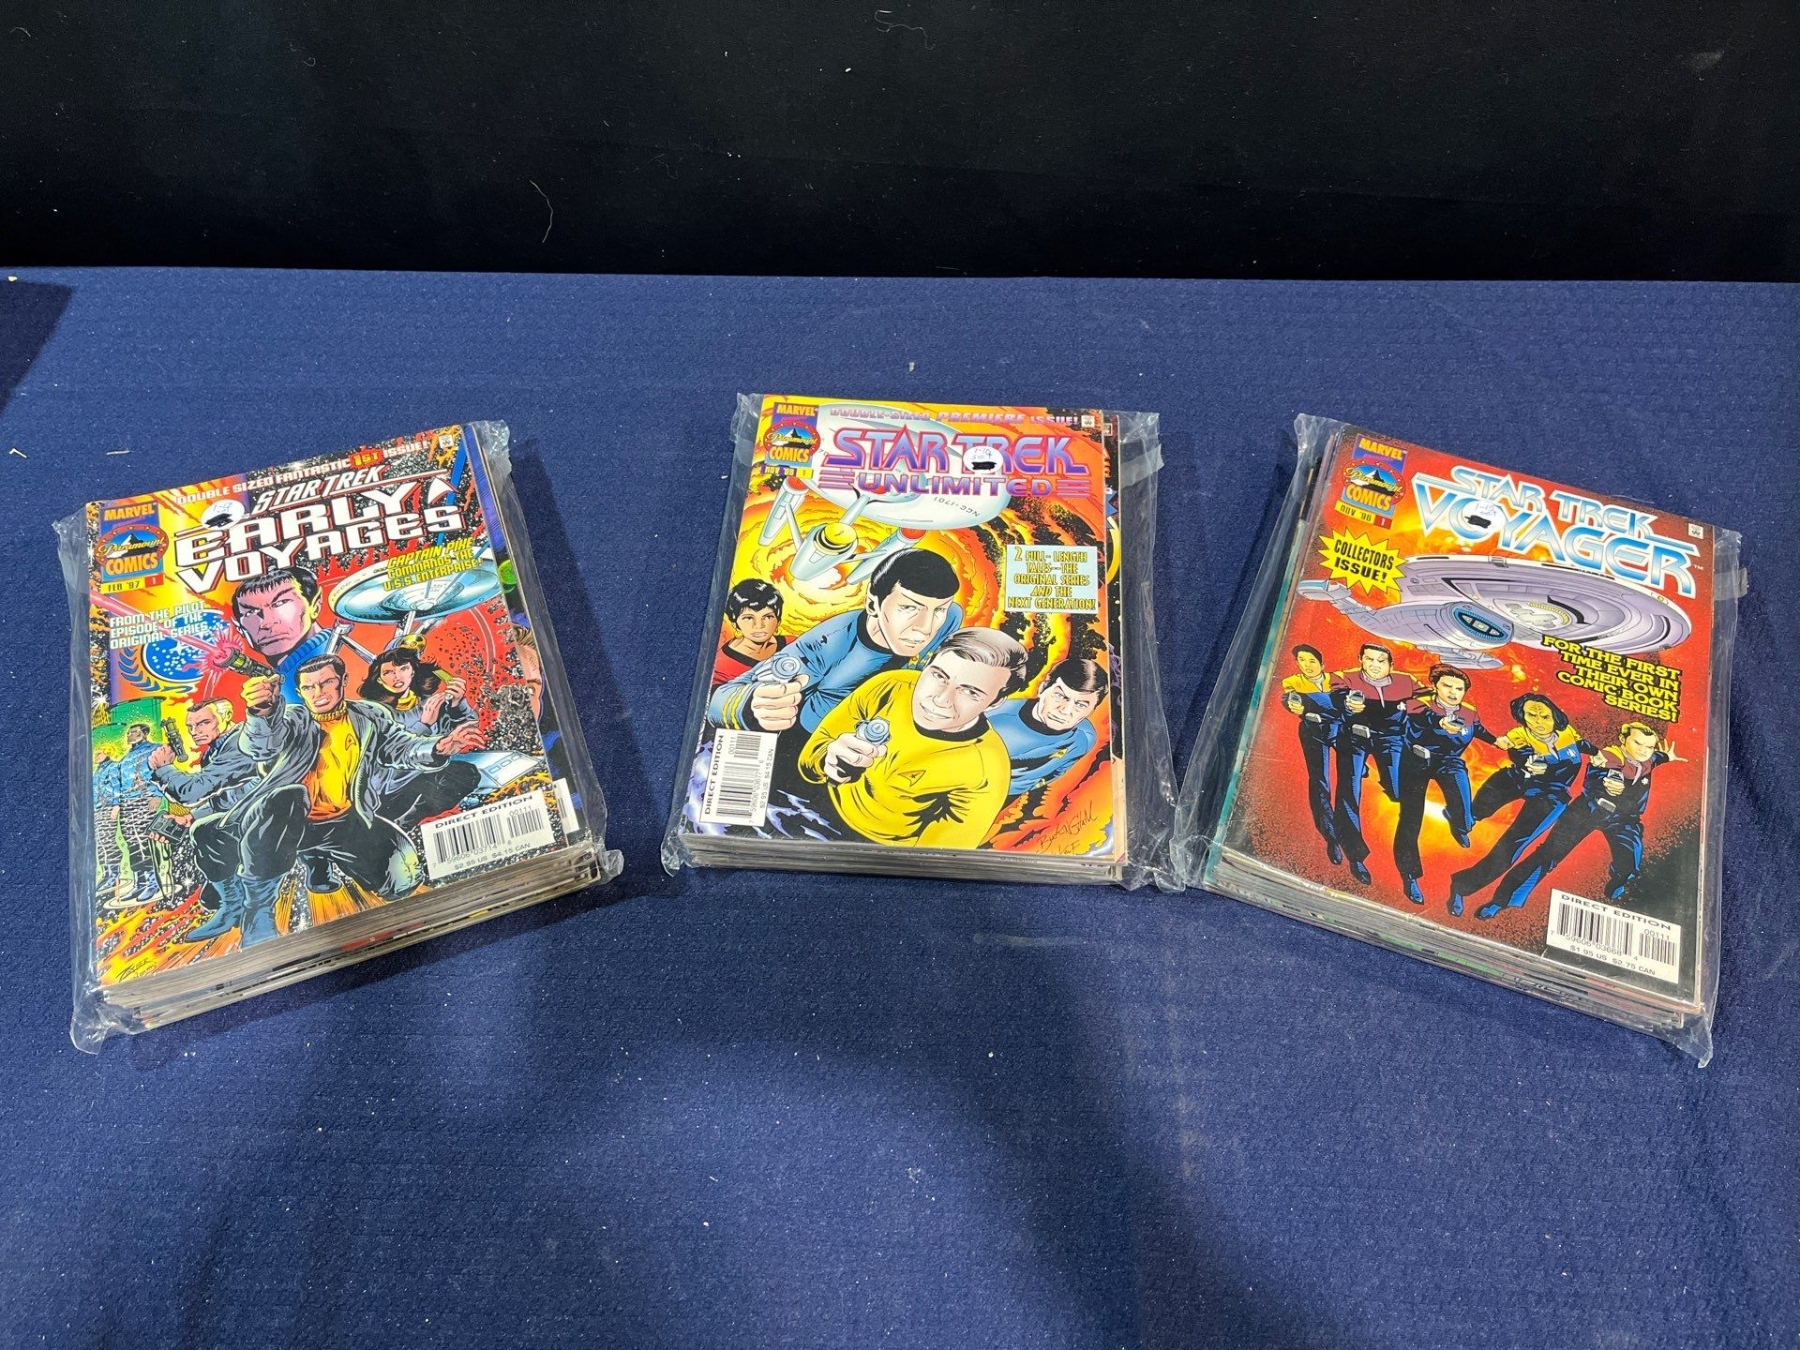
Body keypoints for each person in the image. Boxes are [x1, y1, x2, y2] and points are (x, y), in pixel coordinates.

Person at [227, 656, 486, 946]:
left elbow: (400, 746)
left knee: (402, 882)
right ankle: (259, 911)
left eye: (326, 683)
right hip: (289, 821)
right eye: (309, 687)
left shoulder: (368, 716)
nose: (318, 693)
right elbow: (262, 748)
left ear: (344, 682)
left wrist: (438, 747)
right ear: (300, 692)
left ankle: (318, 857)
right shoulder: (291, 720)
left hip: (344, 821)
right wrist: (262, 711)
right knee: (288, 797)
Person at [798, 627, 1023, 850]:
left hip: (879, 848)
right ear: (927, 665)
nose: (941, 699)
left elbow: (941, 855)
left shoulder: (988, 766)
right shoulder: (890, 685)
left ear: (995, 702)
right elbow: (810, 760)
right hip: (813, 804)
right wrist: (827, 759)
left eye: (970, 692)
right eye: (939, 676)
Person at [708, 548, 963, 736]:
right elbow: (718, 703)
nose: (925, 628)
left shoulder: (950, 616)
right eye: (908, 608)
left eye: (938, 610)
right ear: (872, 604)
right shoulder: (827, 644)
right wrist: (752, 707)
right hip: (809, 743)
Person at [1480, 722, 1681, 920]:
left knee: (1630, 866)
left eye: (1649, 746)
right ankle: (1500, 901)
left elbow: (1656, 757)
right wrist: (1609, 784)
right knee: (1548, 855)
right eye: (1637, 743)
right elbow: (1598, 774)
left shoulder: (1649, 758)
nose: (1643, 750)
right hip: (1588, 810)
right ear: (1622, 739)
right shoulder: (1607, 757)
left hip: (1624, 820)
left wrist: (1668, 757)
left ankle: (1618, 881)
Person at [1446, 693, 1590, 916]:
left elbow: (1584, 745)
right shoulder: (1519, 735)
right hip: (1517, 780)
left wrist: (1601, 755)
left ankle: (1462, 888)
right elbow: (1519, 752)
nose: (1539, 721)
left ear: (1555, 716)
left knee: (1511, 848)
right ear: (1523, 718)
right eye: (1531, 715)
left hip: (1551, 797)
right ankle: (1461, 821)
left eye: (1545, 716)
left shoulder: (1567, 733)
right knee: (1474, 813)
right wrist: (1528, 762)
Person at [148, 697, 262, 940]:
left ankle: (234, 907)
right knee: (210, 897)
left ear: (226, 717)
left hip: (267, 815)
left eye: (204, 723)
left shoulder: (238, 743)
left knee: (204, 831)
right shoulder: (218, 748)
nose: (195, 732)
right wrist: (190, 816)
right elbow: (231, 795)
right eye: (190, 726)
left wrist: (164, 769)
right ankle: (229, 892)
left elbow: (192, 791)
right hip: (248, 810)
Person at [1391, 663, 1498, 905]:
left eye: (1459, 689)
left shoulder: (1469, 712)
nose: (1453, 692)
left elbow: (1477, 729)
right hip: (1416, 762)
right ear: (1435, 686)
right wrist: (1441, 722)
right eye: (1447, 686)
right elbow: (1425, 717)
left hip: (1449, 762)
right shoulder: (1418, 704)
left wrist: (1497, 741)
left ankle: (1458, 822)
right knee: (1410, 818)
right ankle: (1410, 875)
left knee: (1466, 815)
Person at [1329, 644, 1428, 884]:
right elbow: (1337, 694)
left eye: (1381, 661)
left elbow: (1427, 698)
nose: (1374, 665)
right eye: (1369, 659)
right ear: (1361, 660)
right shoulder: (1345, 677)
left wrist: (1409, 707)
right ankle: (1355, 855)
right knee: (1349, 790)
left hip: (1391, 740)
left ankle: (1407, 867)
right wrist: (1349, 704)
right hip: (1356, 737)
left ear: (1391, 665)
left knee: (1401, 793)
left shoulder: (1406, 681)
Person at [357, 645, 483, 832]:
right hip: (389, 789)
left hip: (423, 776)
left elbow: (469, 728)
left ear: (413, 671)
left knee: (466, 774)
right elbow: (393, 755)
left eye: (403, 669)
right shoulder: (373, 713)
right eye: (388, 672)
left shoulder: (429, 702)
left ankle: (405, 823)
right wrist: (424, 724)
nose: (397, 677)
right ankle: (392, 825)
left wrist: (458, 704)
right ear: (379, 679)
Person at [986, 657, 1108, 797]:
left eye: (1080, 705)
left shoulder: (1084, 737)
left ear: (1092, 709)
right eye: (1060, 696)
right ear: (1043, 688)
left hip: (1011, 796)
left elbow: (1057, 771)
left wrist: (1027, 787)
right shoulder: (993, 717)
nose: (1065, 711)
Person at [229, 566, 337, 701]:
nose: (267, 623)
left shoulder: (340, 654)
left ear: (315, 606)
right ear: (240, 628)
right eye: (251, 612)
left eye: (281, 603)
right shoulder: (279, 679)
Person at [1278, 643, 1342, 863]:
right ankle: (1331, 836)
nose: (1307, 665)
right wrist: (1294, 704)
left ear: (1322, 664)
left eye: (1312, 661)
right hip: (1313, 730)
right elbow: (1290, 700)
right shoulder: (1293, 682)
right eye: (1302, 661)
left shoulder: (1336, 680)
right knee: (1320, 782)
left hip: (1340, 730)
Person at [114, 722, 167, 907]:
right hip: (127, 803)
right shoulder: (126, 758)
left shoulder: (155, 749)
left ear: (144, 734)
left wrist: (157, 795)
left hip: (145, 800)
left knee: (144, 841)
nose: (130, 735)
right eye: (129, 732)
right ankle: (140, 882)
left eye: (135, 732)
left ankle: (153, 882)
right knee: (132, 842)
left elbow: (162, 772)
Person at [712, 578, 788, 687]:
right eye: (748, 618)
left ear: (778, 621)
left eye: (767, 617)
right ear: (735, 623)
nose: (759, 625)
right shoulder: (722, 666)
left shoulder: (793, 643)